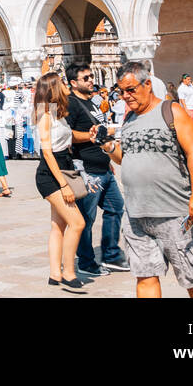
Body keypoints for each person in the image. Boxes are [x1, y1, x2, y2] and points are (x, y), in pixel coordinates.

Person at [105, 63, 193, 298]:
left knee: (191, 276)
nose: (126, 96)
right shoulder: (129, 118)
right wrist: (109, 146)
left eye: (131, 89)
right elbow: (125, 157)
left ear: (148, 84)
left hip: (175, 212)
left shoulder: (172, 111)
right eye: (121, 91)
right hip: (135, 213)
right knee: (144, 276)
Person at [66, 64, 127, 277]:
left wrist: (109, 155)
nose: (91, 80)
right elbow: (67, 135)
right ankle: (86, 261)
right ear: (74, 83)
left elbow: (100, 132)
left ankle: (110, 255)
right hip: (88, 170)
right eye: (86, 78)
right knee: (86, 218)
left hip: (104, 166)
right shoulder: (70, 104)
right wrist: (90, 136)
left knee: (116, 208)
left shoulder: (91, 102)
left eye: (91, 76)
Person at [34, 73, 89, 293]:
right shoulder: (45, 114)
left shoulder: (58, 113)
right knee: (78, 223)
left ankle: (55, 273)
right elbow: (47, 153)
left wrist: (90, 135)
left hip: (63, 166)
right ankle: (68, 272)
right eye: (63, 83)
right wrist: (64, 185)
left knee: (59, 225)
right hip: (51, 173)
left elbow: (68, 136)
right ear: (55, 87)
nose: (66, 86)